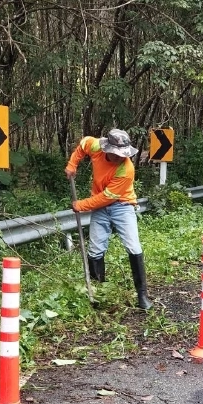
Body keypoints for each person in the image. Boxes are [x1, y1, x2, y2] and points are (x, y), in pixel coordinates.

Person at [65, 128, 152, 310]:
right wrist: (73, 164)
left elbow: (107, 197)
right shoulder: (96, 146)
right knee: (95, 248)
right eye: (117, 154)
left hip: (122, 206)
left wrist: (81, 205)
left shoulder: (126, 168)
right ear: (108, 149)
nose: (121, 157)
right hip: (100, 208)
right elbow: (83, 145)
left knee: (133, 246)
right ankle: (98, 293)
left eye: (124, 154)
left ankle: (142, 295)